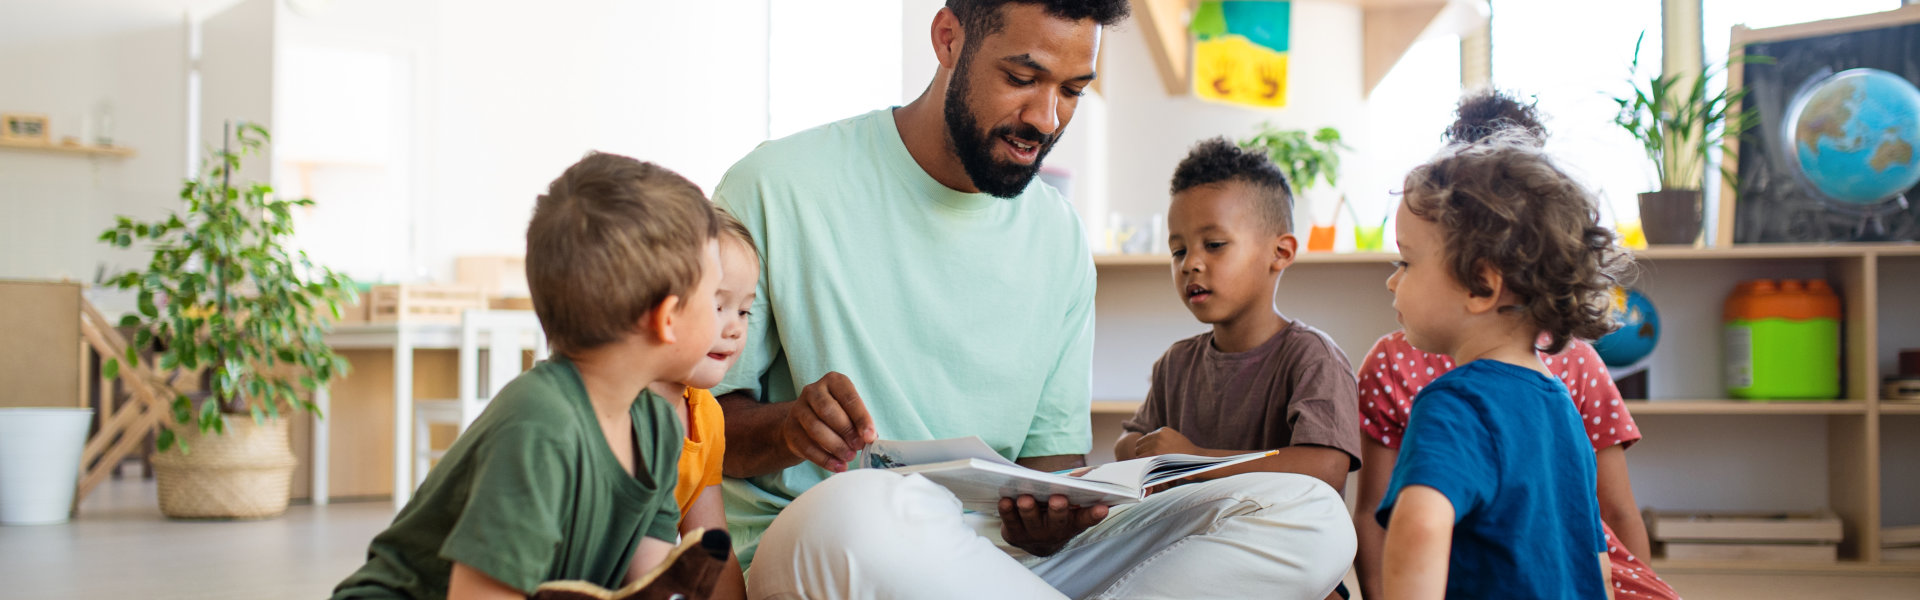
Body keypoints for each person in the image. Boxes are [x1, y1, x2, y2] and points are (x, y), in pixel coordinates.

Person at [712, 1, 1354, 597]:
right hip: (842, 546)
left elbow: (1054, 466)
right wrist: (790, 427)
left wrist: (1051, 520)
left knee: (1309, 513)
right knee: (856, 510)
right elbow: (701, 430)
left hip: (1005, 564)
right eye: (1023, 77)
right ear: (947, 39)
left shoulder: (1058, 236)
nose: (1047, 119)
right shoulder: (777, 186)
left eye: (1074, 90)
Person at [333, 153, 721, 599]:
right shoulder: (541, 426)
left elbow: (646, 585)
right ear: (668, 318)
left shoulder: (658, 429)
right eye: (714, 295)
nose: (725, 318)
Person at [1351, 90, 1678, 600]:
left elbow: (1419, 525)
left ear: (1481, 285)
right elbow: (1594, 561)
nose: (1393, 283)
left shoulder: (1453, 403)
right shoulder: (1559, 404)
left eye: (1406, 263)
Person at [1115, 137, 1361, 504]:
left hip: (1283, 545)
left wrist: (1193, 460)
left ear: (1280, 253)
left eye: (1214, 244)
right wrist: (1150, 452)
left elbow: (1325, 466)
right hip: (1191, 533)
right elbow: (1126, 444)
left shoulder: (1313, 357)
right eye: (1178, 250)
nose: (1190, 264)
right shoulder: (1176, 363)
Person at [647, 209, 761, 600]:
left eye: (744, 310)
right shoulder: (619, 407)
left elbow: (712, 544)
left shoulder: (706, 416)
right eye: (718, 307)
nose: (734, 328)